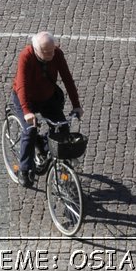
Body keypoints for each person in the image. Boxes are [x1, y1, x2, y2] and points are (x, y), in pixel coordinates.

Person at [10, 31, 82, 184]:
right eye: (46, 52)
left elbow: (67, 79)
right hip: (25, 99)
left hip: (47, 98)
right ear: (36, 50)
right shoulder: (26, 56)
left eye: (52, 50)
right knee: (30, 130)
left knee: (62, 128)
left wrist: (76, 105)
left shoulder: (57, 54)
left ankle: (45, 148)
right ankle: (24, 170)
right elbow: (21, 86)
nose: (51, 54)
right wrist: (27, 111)